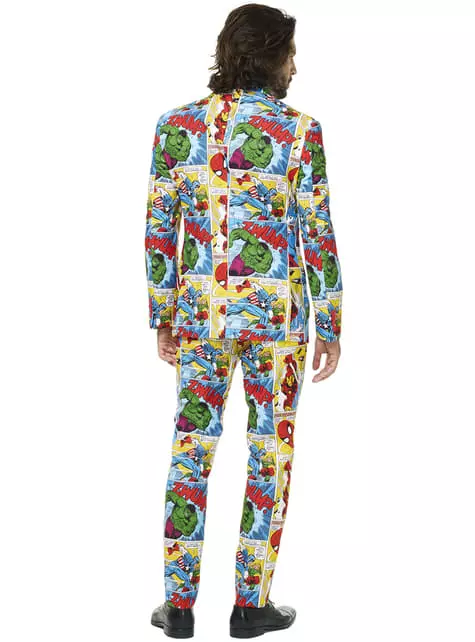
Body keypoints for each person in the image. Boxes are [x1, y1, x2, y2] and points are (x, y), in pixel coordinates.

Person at [144, 4, 343, 638]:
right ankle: (250, 605)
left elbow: (159, 232)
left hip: (200, 321)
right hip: (277, 326)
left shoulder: (176, 127)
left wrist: (163, 314)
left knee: (191, 453)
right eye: (291, 54)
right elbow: (317, 233)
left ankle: (179, 607)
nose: (296, 67)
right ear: (269, 56)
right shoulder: (300, 132)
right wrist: (331, 322)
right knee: (269, 457)